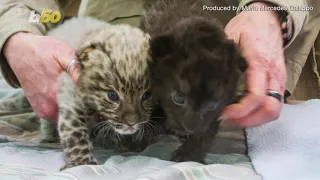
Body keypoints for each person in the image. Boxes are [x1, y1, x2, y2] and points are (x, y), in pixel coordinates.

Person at [0, 0, 319, 128]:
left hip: (245, 107)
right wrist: (16, 35)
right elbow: (25, 6)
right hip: (95, 108)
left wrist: (271, 10)